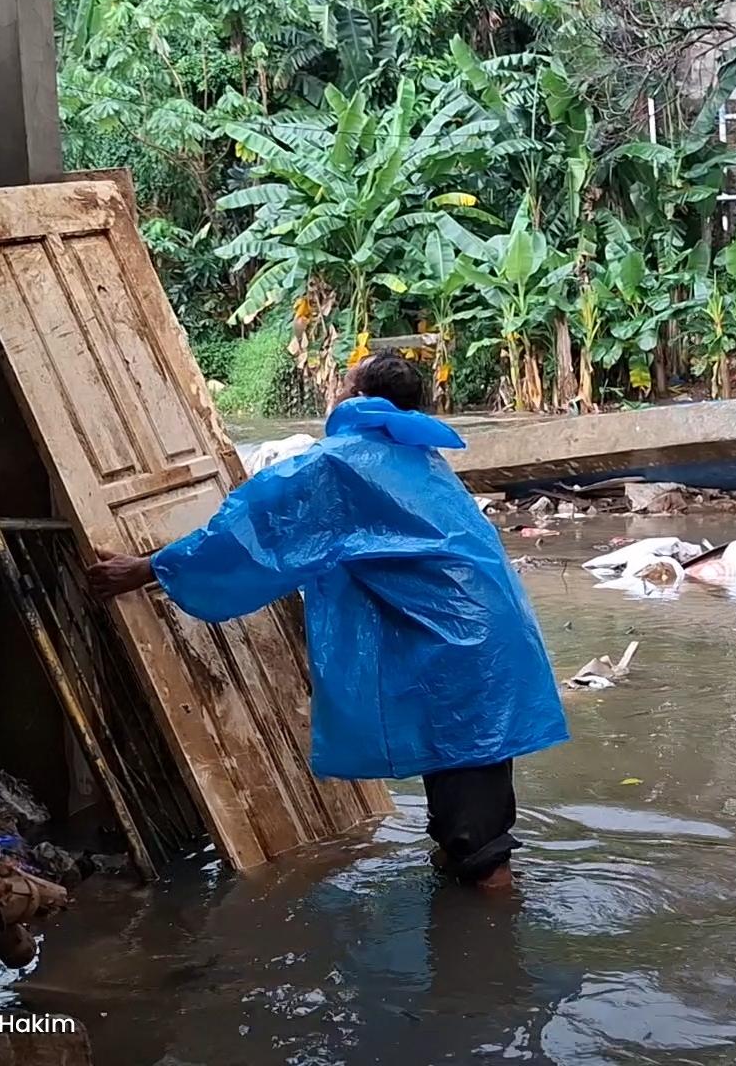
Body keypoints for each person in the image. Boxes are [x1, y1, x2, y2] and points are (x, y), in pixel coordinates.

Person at [86, 352, 567, 889]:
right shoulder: (418, 456)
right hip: (484, 641)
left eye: (343, 382)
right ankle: (466, 913)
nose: (334, 392)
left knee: (479, 848)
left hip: (458, 649)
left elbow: (250, 533)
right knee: (468, 794)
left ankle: (490, 934)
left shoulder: (339, 464)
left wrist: (146, 568)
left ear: (357, 397)